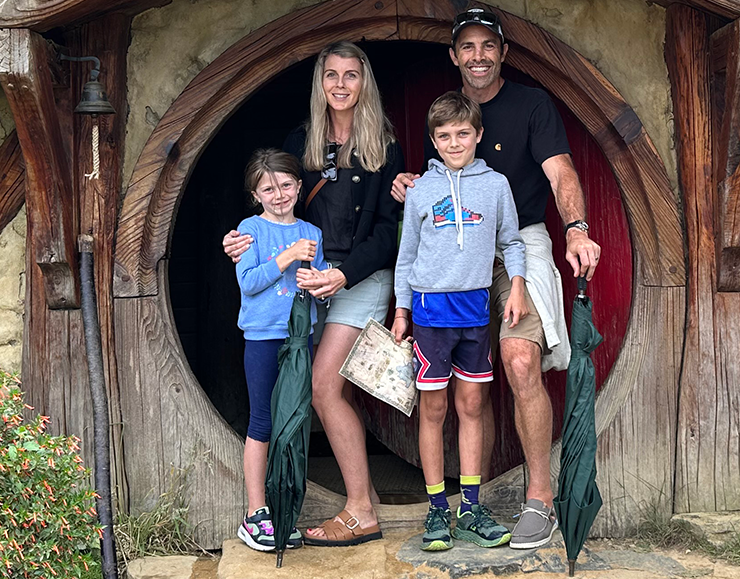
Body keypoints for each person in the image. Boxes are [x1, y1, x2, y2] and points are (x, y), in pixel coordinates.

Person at [392, 7, 604, 551]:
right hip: (453, 252)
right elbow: (433, 189)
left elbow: (561, 173)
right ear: (454, 56)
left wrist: (576, 230)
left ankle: (540, 500)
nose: (478, 55)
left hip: (519, 239)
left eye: (488, 46)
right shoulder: (447, 117)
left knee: (518, 357)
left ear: (503, 53)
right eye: (468, 47)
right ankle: (469, 503)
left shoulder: (532, 104)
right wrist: (408, 185)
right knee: (467, 382)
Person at [221, 41, 403, 547]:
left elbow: (389, 232)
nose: (341, 85)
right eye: (331, 75)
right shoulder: (302, 140)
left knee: (323, 387)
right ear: (319, 84)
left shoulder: (385, 147)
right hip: (307, 285)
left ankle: (361, 510)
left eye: (351, 75)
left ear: (365, 82)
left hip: (357, 280)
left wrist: (343, 276)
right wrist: (238, 242)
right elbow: (274, 213)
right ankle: (282, 504)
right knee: (307, 393)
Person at [392, 91, 529, 552]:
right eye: (444, 135)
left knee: (472, 406)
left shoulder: (495, 186)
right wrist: (401, 308)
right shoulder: (420, 190)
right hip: (431, 313)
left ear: (479, 136)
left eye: (463, 134)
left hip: (474, 311)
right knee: (434, 410)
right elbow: (406, 255)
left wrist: (520, 286)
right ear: (433, 139)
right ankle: (437, 510)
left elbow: (512, 242)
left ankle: (470, 507)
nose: (454, 143)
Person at [232, 148, 325, 553]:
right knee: (263, 422)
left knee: (294, 423)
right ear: (256, 194)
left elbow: (319, 291)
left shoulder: (312, 231)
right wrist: (288, 256)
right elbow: (249, 282)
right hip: (262, 335)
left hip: (299, 338)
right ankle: (255, 514)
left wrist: (316, 281)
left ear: (299, 186)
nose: (279, 194)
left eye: (286, 185)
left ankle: (284, 509)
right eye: (268, 188)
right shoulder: (249, 229)